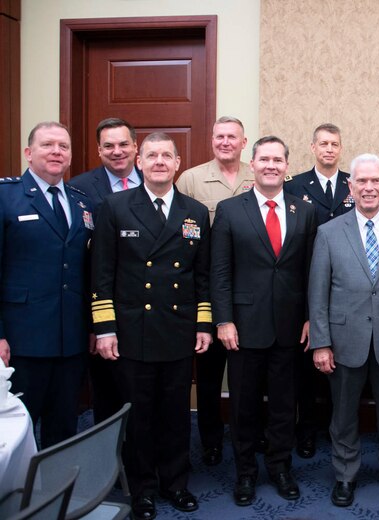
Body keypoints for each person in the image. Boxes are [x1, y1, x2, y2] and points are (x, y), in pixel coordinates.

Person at [91, 132, 212, 520]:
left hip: (177, 328)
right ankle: (141, 487)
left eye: (167, 155)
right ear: (139, 162)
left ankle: (175, 483)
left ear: (178, 164)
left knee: (176, 412)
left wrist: (204, 324)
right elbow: (102, 273)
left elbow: (202, 275)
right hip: (132, 330)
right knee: (139, 414)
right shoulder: (114, 207)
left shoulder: (195, 211)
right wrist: (105, 327)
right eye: (152, 155)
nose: (159, 161)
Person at [309, 153, 379, 507]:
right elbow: (318, 293)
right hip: (344, 342)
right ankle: (345, 475)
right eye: (362, 181)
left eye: (376, 181)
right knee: (343, 416)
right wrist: (321, 343)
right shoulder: (328, 232)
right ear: (351, 186)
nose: (369, 188)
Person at [211, 136, 317, 505]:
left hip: (290, 327)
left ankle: (280, 466)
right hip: (242, 326)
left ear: (287, 166)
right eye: (264, 159)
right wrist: (223, 320)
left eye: (278, 160)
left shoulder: (303, 211)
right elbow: (220, 272)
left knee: (286, 404)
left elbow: (310, 273)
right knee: (243, 406)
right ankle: (245, 473)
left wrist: (309, 318)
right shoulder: (229, 209)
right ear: (251, 164)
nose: (271, 165)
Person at [0, 121, 93, 447]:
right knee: (17, 430)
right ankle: (14, 496)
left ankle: (54, 494)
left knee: (64, 426)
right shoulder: (6, 196)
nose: (56, 152)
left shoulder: (82, 202)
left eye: (63, 147)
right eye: (47, 145)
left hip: (71, 339)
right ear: (28, 152)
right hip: (21, 340)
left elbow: (87, 268)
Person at [176, 116, 255, 467]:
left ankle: (252, 436)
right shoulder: (191, 179)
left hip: (252, 291)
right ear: (212, 140)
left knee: (249, 374)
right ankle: (210, 440)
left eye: (232, 137)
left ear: (244, 142)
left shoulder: (260, 176)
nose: (225, 142)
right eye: (219, 136)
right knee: (208, 375)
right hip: (207, 288)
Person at [68, 117, 142, 426]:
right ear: (99, 150)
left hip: (146, 308)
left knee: (144, 392)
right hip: (104, 304)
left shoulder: (156, 179)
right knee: (107, 391)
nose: (117, 151)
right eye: (108, 146)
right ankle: (110, 463)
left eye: (124, 144)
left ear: (135, 147)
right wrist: (94, 323)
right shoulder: (80, 188)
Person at [284, 123, 350, 458]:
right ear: (312, 148)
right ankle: (307, 429)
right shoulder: (293, 186)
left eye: (334, 144)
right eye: (322, 143)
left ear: (340, 149)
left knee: (341, 362)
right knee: (307, 364)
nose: (328, 149)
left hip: (347, 287)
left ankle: (336, 426)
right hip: (306, 283)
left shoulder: (354, 184)